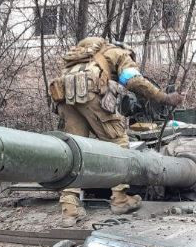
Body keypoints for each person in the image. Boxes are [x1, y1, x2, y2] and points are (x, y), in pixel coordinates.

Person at [48, 36, 184, 227]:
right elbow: (132, 80)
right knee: (119, 142)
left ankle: (69, 210)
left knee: (75, 151)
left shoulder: (77, 60)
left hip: (66, 102)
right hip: (92, 96)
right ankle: (120, 199)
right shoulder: (117, 53)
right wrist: (163, 98)